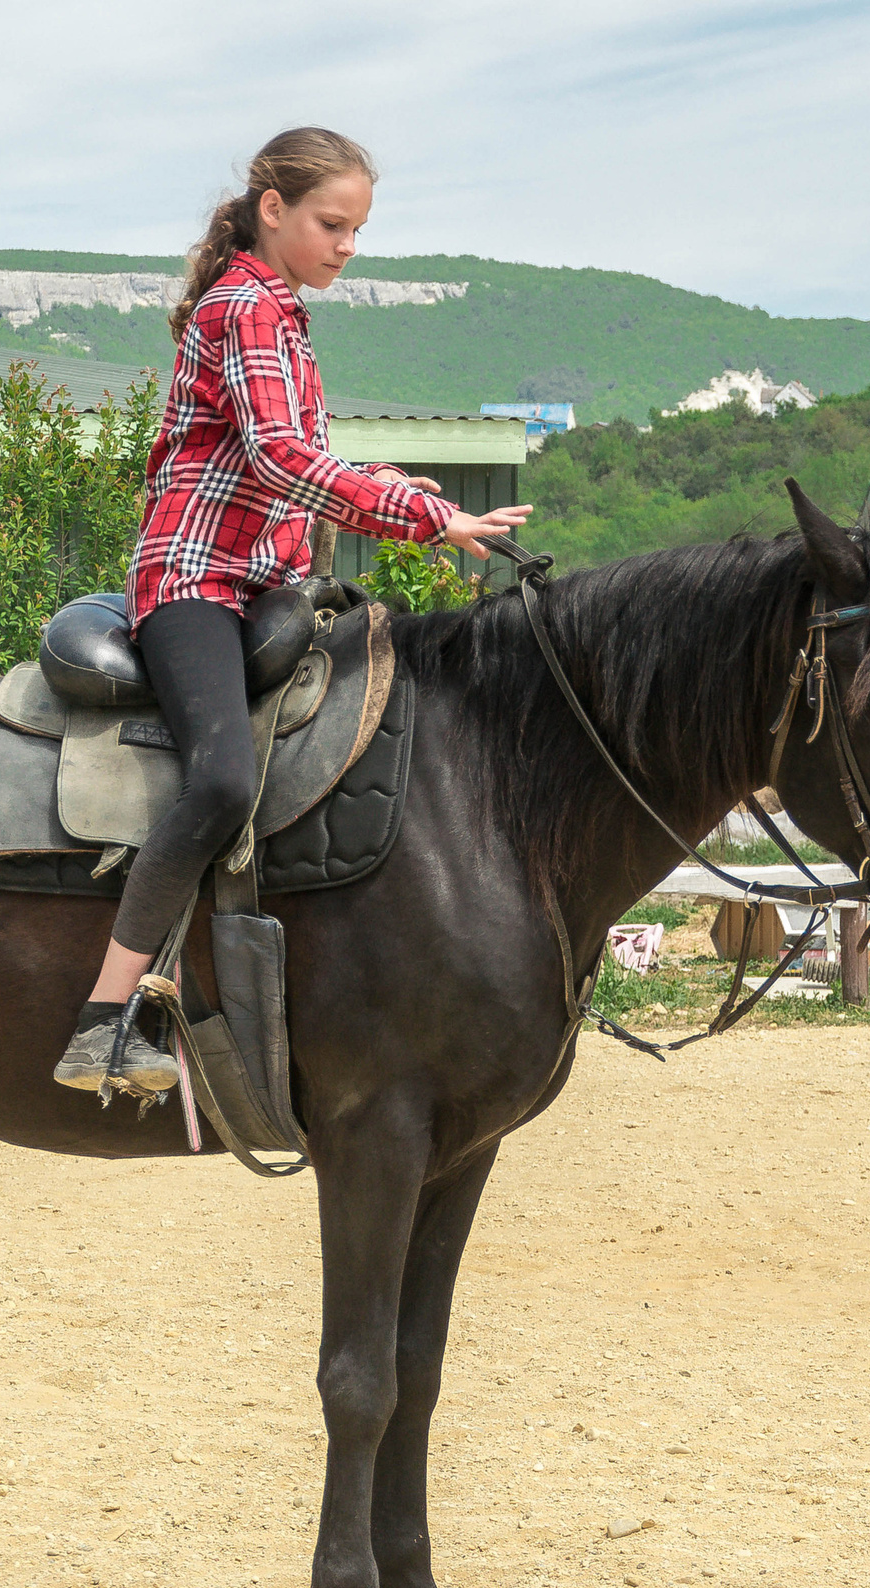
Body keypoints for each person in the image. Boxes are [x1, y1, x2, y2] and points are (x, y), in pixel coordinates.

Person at [54, 126, 529, 1092]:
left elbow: (295, 459)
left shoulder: (280, 312)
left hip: (264, 584)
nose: (347, 246)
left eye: (358, 231)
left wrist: (390, 489)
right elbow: (281, 460)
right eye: (331, 224)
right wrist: (427, 518)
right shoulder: (244, 308)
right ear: (273, 210)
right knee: (223, 781)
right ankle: (102, 1021)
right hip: (196, 581)